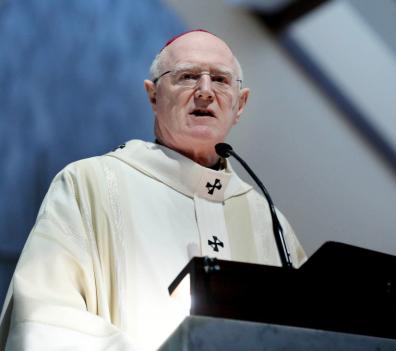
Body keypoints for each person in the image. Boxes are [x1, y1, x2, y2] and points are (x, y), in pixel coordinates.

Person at [0, 30, 306, 350]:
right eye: (187, 77)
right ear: (153, 96)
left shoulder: (270, 223)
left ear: (240, 104)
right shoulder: (89, 184)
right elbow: (45, 319)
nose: (204, 91)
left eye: (220, 79)